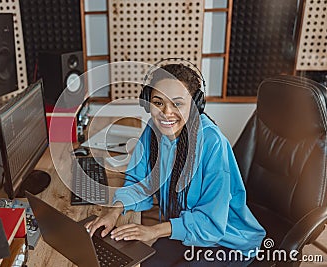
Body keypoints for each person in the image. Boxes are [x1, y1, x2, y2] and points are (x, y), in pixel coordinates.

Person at [85, 63, 266, 266]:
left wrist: (154, 230)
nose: (166, 113)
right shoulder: (154, 131)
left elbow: (212, 225)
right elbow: (140, 182)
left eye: (177, 104)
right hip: (184, 229)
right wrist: (114, 212)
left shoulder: (213, 144)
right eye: (158, 102)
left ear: (195, 105)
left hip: (227, 241)